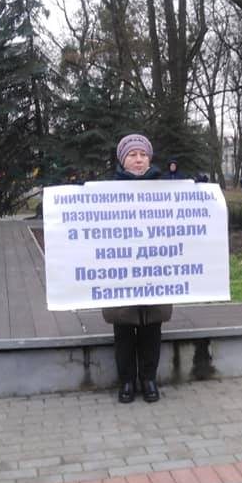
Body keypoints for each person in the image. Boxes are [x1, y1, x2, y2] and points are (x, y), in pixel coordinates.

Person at [101, 134, 172, 403]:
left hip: (155, 271)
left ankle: (149, 379)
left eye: (143, 154)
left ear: (150, 159)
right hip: (121, 273)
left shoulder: (165, 190)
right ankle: (127, 381)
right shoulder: (107, 192)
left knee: (152, 330)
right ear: (123, 160)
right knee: (123, 332)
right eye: (132, 155)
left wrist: (197, 193)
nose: (139, 159)